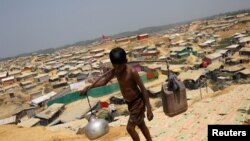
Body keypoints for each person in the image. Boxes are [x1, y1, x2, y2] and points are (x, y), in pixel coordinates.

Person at [80, 47, 153, 141]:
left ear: (125, 61)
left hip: (137, 102)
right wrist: (89, 87)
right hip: (130, 103)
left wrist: (149, 109)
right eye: (115, 66)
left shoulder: (132, 72)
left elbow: (143, 90)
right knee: (141, 124)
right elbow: (104, 81)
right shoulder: (115, 70)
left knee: (130, 128)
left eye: (120, 66)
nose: (118, 68)